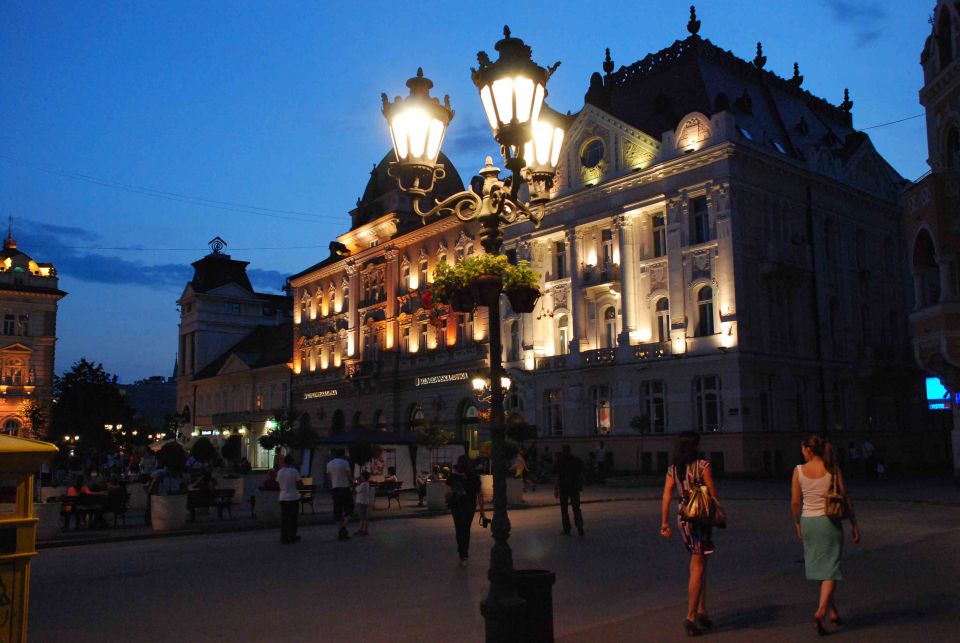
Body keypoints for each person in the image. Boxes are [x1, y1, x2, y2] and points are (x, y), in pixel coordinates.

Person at [791, 435, 860, 636]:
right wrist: (854, 525)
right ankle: (821, 611)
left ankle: (833, 611)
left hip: (809, 521)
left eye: (803, 449)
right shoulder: (832, 469)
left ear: (808, 450)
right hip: (829, 521)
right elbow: (846, 497)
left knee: (820, 566)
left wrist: (797, 522)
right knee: (830, 568)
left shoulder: (798, 471)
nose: (802, 452)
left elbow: (795, 501)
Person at [660, 431, 719, 637]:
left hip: (682, 518)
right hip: (700, 519)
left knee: (701, 561)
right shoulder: (703, 466)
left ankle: (702, 610)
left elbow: (666, 496)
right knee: (697, 565)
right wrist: (718, 515)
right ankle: (691, 616)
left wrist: (664, 522)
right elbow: (712, 493)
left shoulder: (673, 469)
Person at [446, 455, 484, 567]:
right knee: (466, 529)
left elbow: (447, 493)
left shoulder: (453, 477)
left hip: (456, 506)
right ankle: (464, 555)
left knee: (459, 529)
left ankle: (462, 555)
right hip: (469, 507)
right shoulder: (475, 478)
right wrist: (482, 511)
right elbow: (480, 495)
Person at [554, 445, 584, 536]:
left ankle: (567, 529)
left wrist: (556, 489)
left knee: (564, 510)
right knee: (576, 508)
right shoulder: (576, 460)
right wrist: (580, 485)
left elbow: (557, 476)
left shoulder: (560, 461)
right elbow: (581, 474)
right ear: (570, 450)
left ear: (563, 451)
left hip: (564, 488)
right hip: (574, 487)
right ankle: (579, 526)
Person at [326, 449, 353, 541]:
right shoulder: (345, 463)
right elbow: (348, 475)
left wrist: (331, 488)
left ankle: (340, 529)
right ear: (343, 455)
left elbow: (329, 478)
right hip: (345, 488)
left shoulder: (329, 464)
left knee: (337, 510)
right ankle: (344, 527)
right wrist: (352, 484)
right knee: (349, 509)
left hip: (335, 488)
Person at [277, 455, 302, 544]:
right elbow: (299, 484)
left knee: (284, 518)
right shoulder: (294, 471)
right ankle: (292, 535)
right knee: (293, 518)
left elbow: (278, 484)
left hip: (283, 497)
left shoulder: (280, 472)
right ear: (292, 462)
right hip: (293, 497)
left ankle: (283, 537)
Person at [354, 471, 371, 536]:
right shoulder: (366, 483)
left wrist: (357, 484)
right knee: (365, 517)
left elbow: (357, 490)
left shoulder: (363, 484)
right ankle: (365, 530)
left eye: (361, 476)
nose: (360, 477)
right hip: (365, 502)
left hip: (361, 502)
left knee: (362, 518)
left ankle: (361, 530)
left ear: (363, 477)